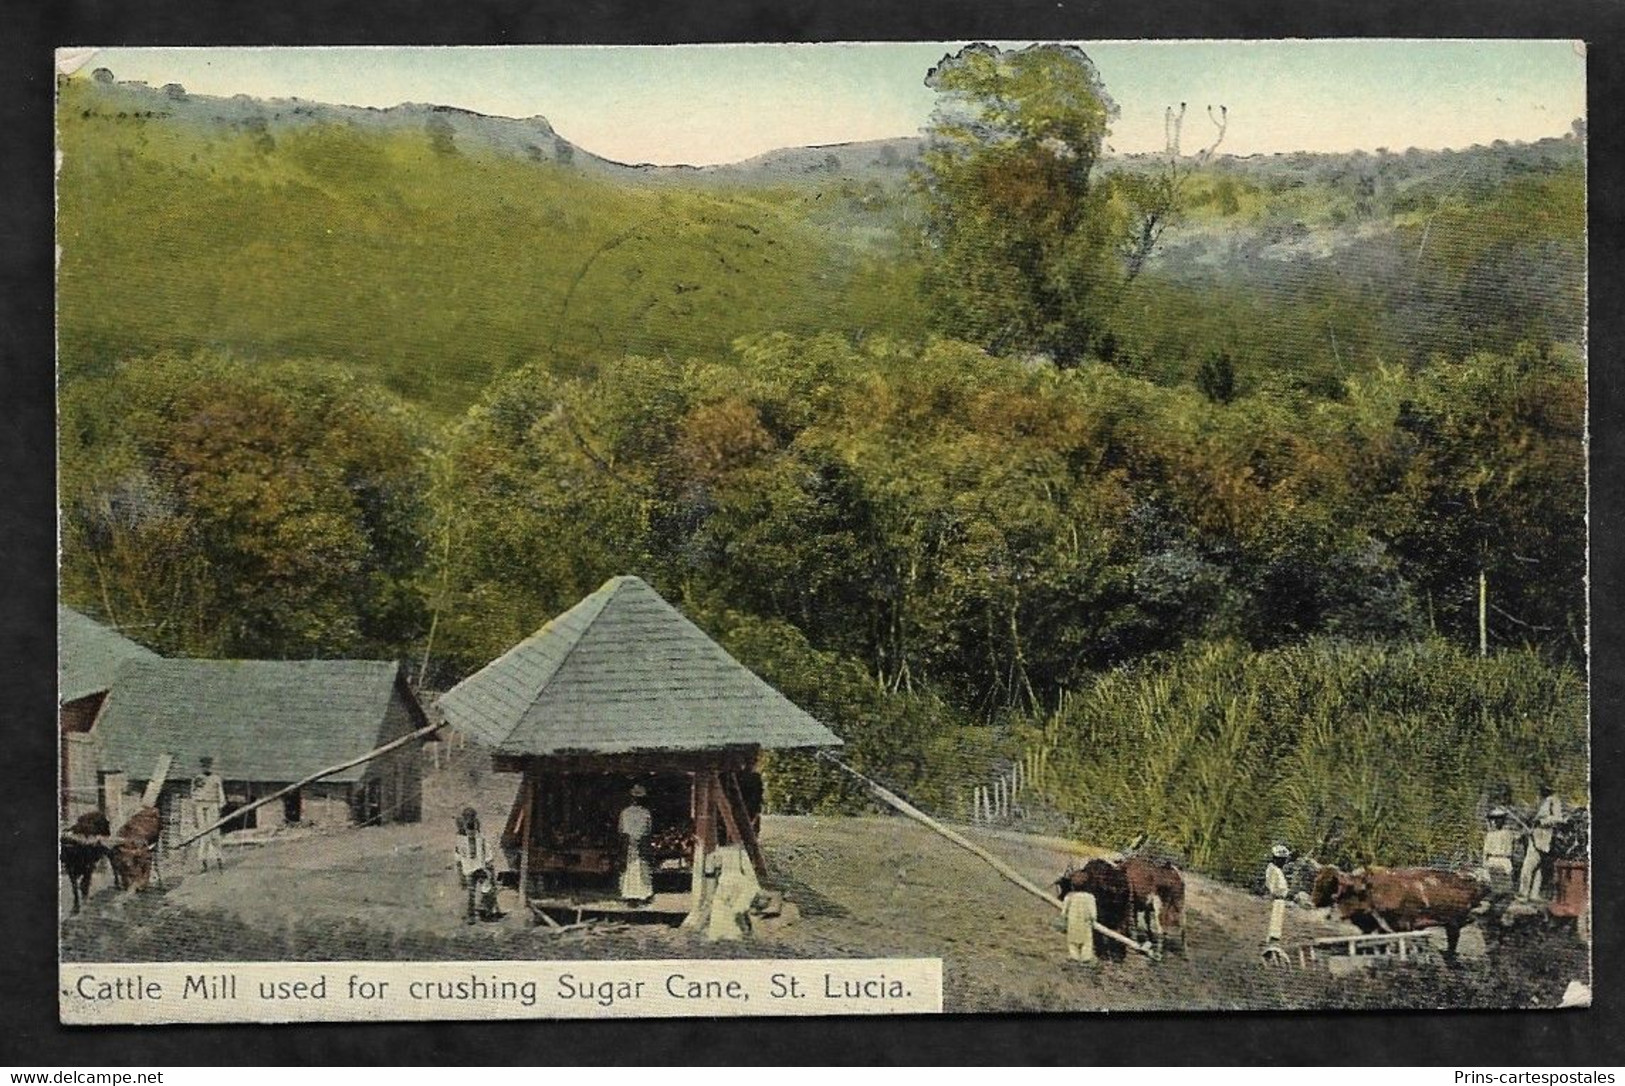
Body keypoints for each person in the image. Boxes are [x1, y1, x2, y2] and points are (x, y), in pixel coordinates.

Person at [454, 807, 501, 923]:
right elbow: (458, 858)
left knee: (487, 889)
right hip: (468, 868)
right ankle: (471, 915)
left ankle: (486, 911)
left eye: (472, 817)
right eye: (467, 817)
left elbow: (487, 850)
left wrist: (489, 864)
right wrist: (461, 875)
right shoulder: (460, 840)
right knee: (471, 893)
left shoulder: (480, 837)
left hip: (481, 867)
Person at [1519, 783, 1564, 901]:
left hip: (1544, 836)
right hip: (1535, 834)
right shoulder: (1541, 800)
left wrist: (1542, 822)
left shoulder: (1554, 801)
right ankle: (1534, 894)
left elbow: (1558, 818)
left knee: (1528, 866)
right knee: (1537, 866)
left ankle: (1524, 894)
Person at [618, 784, 654, 905]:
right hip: (639, 842)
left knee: (632, 868)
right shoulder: (646, 813)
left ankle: (630, 894)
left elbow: (621, 829)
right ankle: (641, 895)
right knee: (640, 868)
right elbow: (648, 830)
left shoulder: (625, 812)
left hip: (629, 842)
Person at [191, 756, 226, 873]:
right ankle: (203, 863)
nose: (206, 768)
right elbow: (193, 796)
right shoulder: (197, 778)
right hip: (200, 806)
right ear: (201, 767)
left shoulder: (216, 778)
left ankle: (219, 860)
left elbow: (221, 794)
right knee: (203, 836)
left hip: (213, 805)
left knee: (215, 834)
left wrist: (220, 806)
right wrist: (195, 815)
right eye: (203, 766)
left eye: (208, 766)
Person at [1482, 806, 1517, 895]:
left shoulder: (1506, 834)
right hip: (1497, 861)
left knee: (1502, 889)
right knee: (1497, 888)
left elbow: (1485, 852)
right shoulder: (1508, 834)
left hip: (1501, 861)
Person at [1264, 843, 1292, 944]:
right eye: (1283, 859)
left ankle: (1274, 940)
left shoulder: (1277, 870)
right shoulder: (1273, 870)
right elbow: (1271, 887)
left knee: (1277, 923)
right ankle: (1272, 942)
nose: (1284, 862)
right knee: (1274, 923)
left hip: (1280, 900)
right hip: (1276, 899)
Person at [1063, 888, 1099, 964]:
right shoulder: (1090, 897)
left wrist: (1066, 917)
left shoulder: (1069, 896)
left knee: (1072, 942)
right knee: (1086, 942)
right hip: (1085, 923)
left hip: (1072, 922)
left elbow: (1063, 913)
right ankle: (1086, 957)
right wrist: (1093, 920)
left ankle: (1074, 956)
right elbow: (1093, 914)